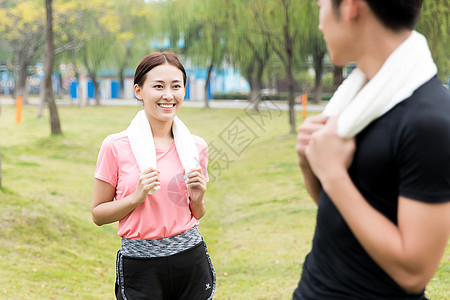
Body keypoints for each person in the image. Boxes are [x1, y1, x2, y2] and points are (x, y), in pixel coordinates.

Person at [293, 0, 450, 299]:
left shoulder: (430, 121)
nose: (319, 23)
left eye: (321, 6)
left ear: (351, 6)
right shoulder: (358, 99)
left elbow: (414, 273)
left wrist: (334, 175)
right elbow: (339, 213)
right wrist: (309, 162)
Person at [92, 52, 215, 300]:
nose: (168, 95)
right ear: (139, 91)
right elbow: (98, 214)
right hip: (141, 266)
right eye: (158, 86)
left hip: (190, 259)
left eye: (176, 86)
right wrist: (136, 197)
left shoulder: (196, 146)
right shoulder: (115, 146)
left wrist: (198, 199)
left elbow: (197, 214)